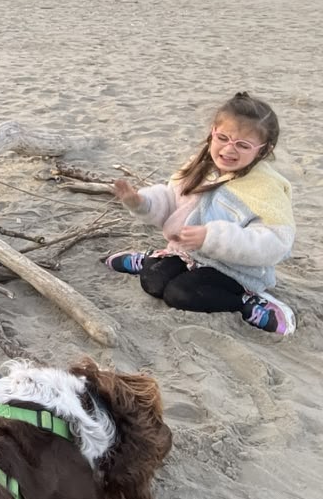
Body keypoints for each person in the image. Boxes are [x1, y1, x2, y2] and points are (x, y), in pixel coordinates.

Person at [105, 92, 296, 335]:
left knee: (181, 295)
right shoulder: (201, 167)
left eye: (242, 145)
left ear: (263, 150)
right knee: (152, 281)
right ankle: (152, 258)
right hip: (188, 255)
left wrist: (211, 238)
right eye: (223, 138)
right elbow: (171, 200)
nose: (229, 149)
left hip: (235, 270)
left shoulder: (266, 187)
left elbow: (276, 243)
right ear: (212, 132)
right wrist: (140, 202)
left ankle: (248, 301)